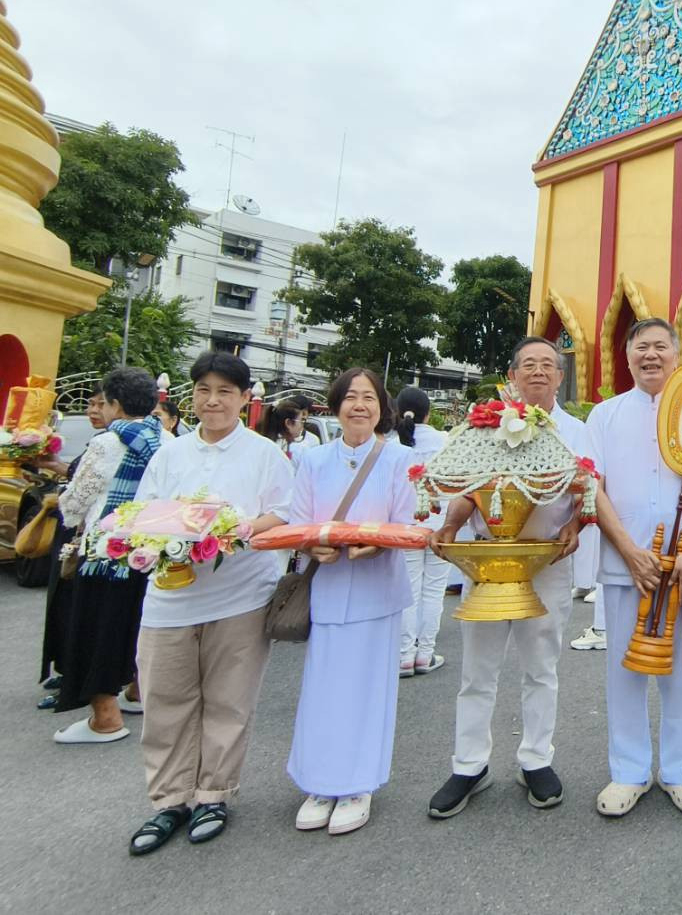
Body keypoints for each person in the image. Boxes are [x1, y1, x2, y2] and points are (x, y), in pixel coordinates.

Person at [125, 352, 294, 855]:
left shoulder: (266, 455)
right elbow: (143, 513)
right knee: (165, 701)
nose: (213, 400)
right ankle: (169, 800)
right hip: (170, 600)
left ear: (245, 400)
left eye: (225, 391)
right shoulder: (170, 453)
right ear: (191, 396)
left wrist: (237, 530)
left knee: (228, 700)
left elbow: (282, 514)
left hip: (239, 597)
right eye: (204, 390)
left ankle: (214, 794)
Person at [426, 336, 590, 819]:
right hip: (489, 565)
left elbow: (590, 489)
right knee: (477, 671)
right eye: (529, 365)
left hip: (547, 565)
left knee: (542, 667)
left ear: (560, 377)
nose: (538, 372)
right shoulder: (485, 426)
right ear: (513, 376)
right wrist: (452, 524)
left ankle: (536, 759)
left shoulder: (576, 432)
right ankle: (469, 764)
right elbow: (469, 486)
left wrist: (575, 524)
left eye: (548, 365)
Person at [586, 318, 682, 818]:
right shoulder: (604, 416)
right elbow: (593, 487)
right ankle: (628, 771)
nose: (651, 355)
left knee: (681, 671)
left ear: (676, 354)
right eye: (641, 347)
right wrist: (627, 549)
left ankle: (681, 770)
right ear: (626, 357)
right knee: (623, 670)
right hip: (627, 563)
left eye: (660, 347)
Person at [286, 368, 418, 837]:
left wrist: (380, 544)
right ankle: (318, 783)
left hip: (376, 589)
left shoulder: (400, 460)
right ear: (336, 405)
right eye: (350, 397)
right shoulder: (314, 460)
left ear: (381, 408)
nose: (359, 405)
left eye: (368, 398)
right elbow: (298, 521)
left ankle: (358, 784)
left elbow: (408, 523)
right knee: (322, 688)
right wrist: (309, 546)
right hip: (327, 587)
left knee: (367, 690)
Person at [52, 368, 165, 743]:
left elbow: (77, 501)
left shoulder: (107, 442)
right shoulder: (164, 439)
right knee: (135, 624)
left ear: (114, 403)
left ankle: (105, 718)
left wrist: (65, 507)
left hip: (107, 551)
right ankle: (136, 691)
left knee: (96, 630)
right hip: (148, 551)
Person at [37, 390, 107, 711]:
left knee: (77, 611)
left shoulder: (110, 445)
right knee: (64, 606)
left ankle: (77, 681)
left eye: (101, 404)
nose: (93, 410)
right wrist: (53, 464)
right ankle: (66, 671)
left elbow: (81, 496)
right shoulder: (99, 442)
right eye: (90, 404)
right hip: (74, 534)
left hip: (88, 538)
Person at [394, 385, 452, 677]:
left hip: (405, 528)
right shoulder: (444, 441)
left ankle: (404, 655)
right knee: (433, 592)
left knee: (409, 592)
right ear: (429, 414)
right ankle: (425, 653)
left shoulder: (393, 444)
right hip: (440, 526)